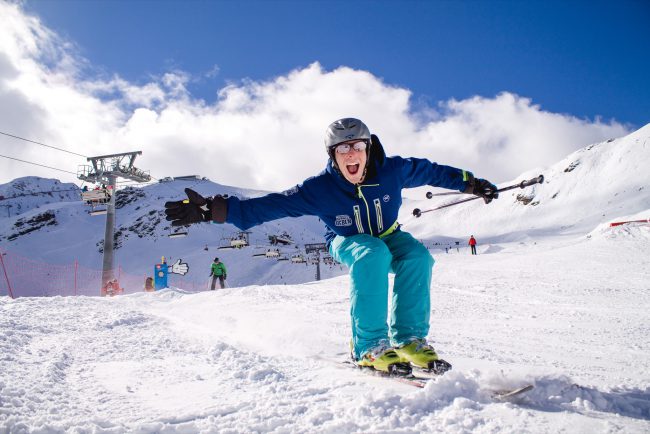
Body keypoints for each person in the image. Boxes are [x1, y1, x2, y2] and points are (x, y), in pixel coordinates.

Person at [164, 117, 499, 374]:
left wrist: (472, 183)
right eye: (343, 149)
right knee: (372, 254)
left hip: (389, 232)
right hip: (347, 240)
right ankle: (368, 345)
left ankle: (410, 339)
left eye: (357, 147)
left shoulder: (393, 170)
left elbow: (432, 171)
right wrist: (214, 210)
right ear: (333, 155)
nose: (351, 154)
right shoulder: (320, 188)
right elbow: (269, 206)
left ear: (369, 149)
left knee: (417, 258)